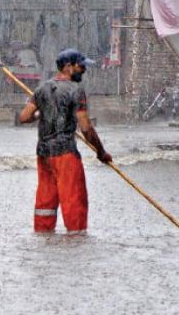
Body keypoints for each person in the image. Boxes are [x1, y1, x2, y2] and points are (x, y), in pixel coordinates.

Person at [18, 48, 112, 233]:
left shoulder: (42, 88)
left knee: (45, 201)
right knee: (74, 201)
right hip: (65, 154)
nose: (84, 70)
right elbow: (85, 127)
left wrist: (40, 113)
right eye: (81, 66)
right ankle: (76, 245)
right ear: (68, 67)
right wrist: (101, 152)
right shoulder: (76, 90)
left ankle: (44, 237)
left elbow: (24, 117)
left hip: (43, 154)